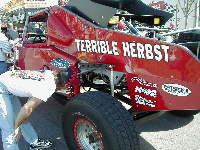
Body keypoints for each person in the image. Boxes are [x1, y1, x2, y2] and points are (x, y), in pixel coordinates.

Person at [0, 70, 56, 150]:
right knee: (10, 131)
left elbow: (32, 91)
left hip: (7, 86)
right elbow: (27, 108)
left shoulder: (49, 73)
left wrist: (25, 114)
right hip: (2, 88)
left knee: (22, 118)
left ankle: (34, 142)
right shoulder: (50, 87)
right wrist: (17, 127)